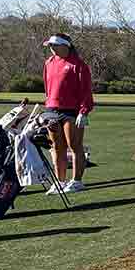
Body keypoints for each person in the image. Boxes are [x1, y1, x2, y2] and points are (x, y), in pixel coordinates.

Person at [40, 33, 94, 193]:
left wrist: (84, 111)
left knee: (74, 145)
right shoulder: (48, 63)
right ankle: (60, 182)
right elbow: (47, 88)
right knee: (57, 147)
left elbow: (86, 91)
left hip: (72, 111)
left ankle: (76, 181)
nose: (52, 48)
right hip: (52, 110)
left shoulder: (79, 65)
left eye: (54, 45)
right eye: (50, 46)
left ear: (66, 46)